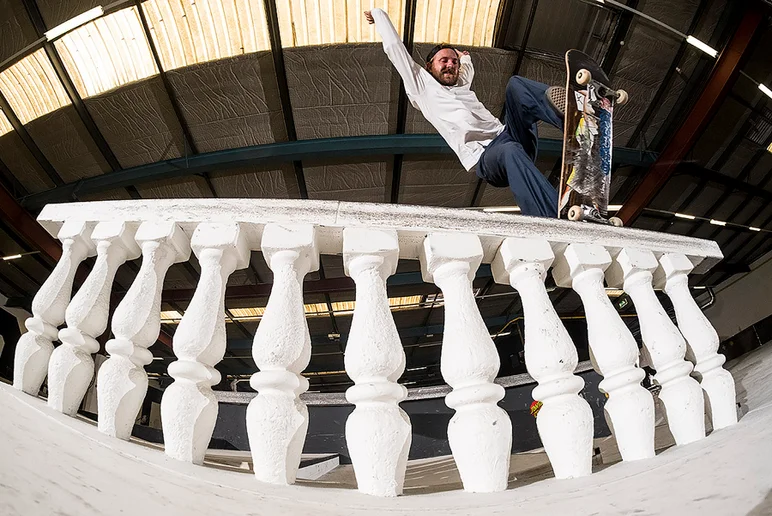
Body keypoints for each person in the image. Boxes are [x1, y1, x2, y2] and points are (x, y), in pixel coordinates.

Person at [365, 8, 565, 218]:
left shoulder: (462, 83)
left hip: (510, 135)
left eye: (454, 62)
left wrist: (465, 57)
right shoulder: (421, 87)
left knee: (517, 86)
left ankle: (574, 119)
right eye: (444, 61)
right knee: (510, 150)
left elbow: (467, 67)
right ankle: (550, 215)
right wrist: (379, 15)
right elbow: (395, 49)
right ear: (429, 66)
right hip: (488, 157)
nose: (450, 65)